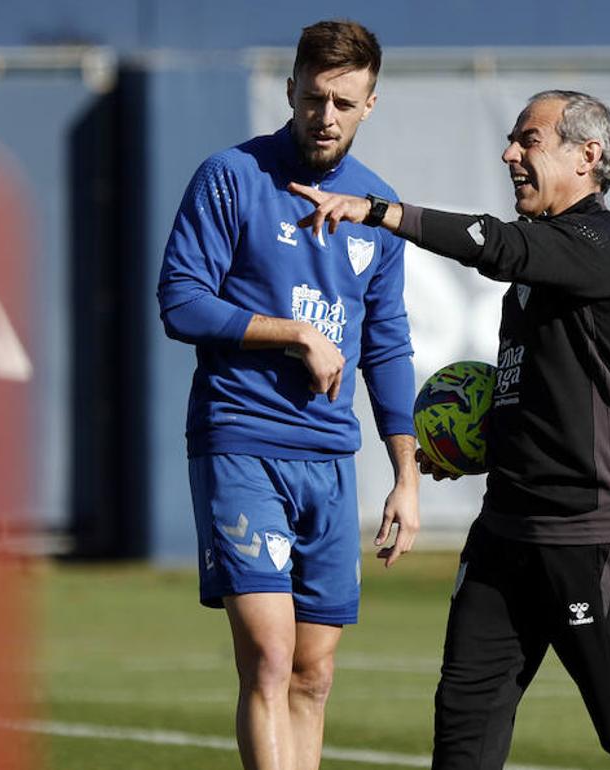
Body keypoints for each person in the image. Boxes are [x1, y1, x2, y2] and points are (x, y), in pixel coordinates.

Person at [289, 91, 610, 770]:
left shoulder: (605, 244)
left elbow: (499, 245)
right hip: (507, 531)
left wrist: (381, 213)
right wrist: (481, 444)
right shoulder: (534, 276)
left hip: (589, 531)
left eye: (529, 140)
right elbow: (539, 386)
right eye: (511, 140)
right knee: (465, 726)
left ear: (587, 156)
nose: (510, 153)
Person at [156, 19, 419, 770]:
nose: (325, 116)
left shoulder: (379, 208)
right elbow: (180, 301)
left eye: (344, 102)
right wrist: (296, 333)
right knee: (269, 659)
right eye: (313, 98)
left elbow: (389, 345)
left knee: (314, 673)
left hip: (330, 460)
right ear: (290, 89)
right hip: (241, 442)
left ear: (371, 104)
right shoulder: (231, 177)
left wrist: (405, 476)